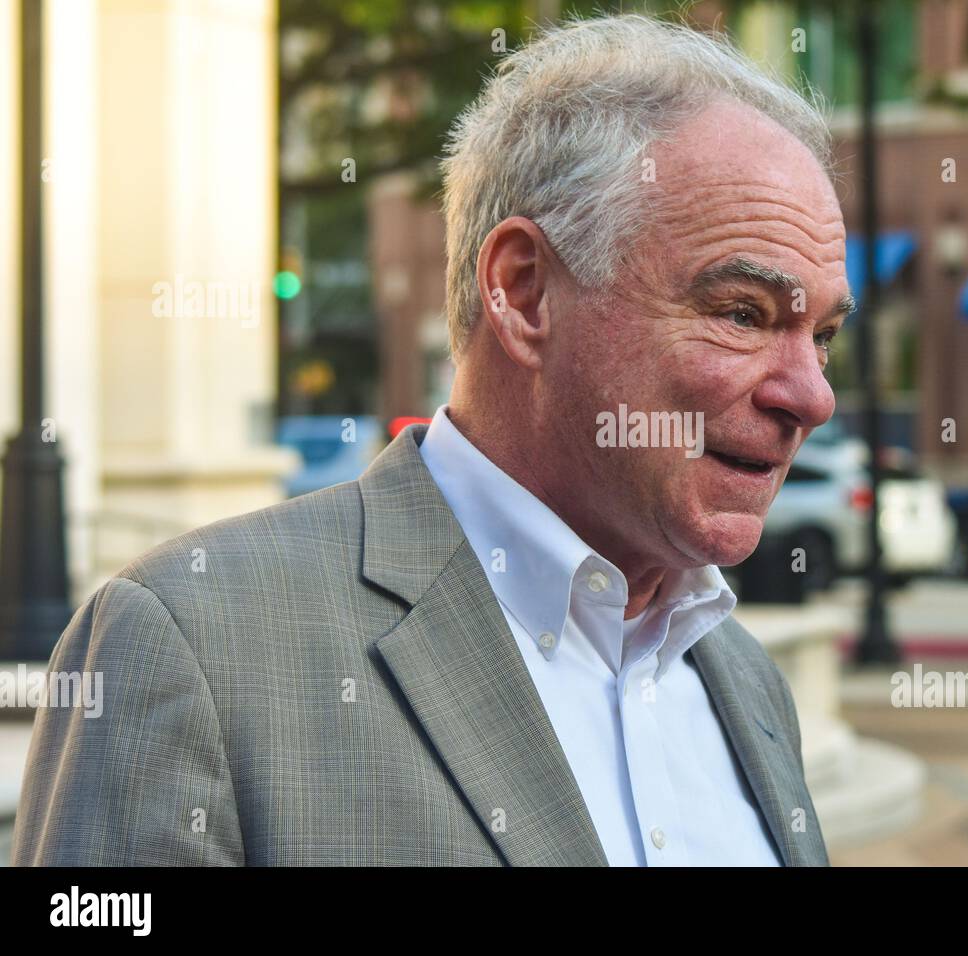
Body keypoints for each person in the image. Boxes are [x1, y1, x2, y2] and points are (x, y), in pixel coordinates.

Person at [13, 14, 850, 866]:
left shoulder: (744, 683)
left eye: (822, 336)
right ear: (524, 294)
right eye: (743, 313)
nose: (811, 394)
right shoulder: (194, 646)